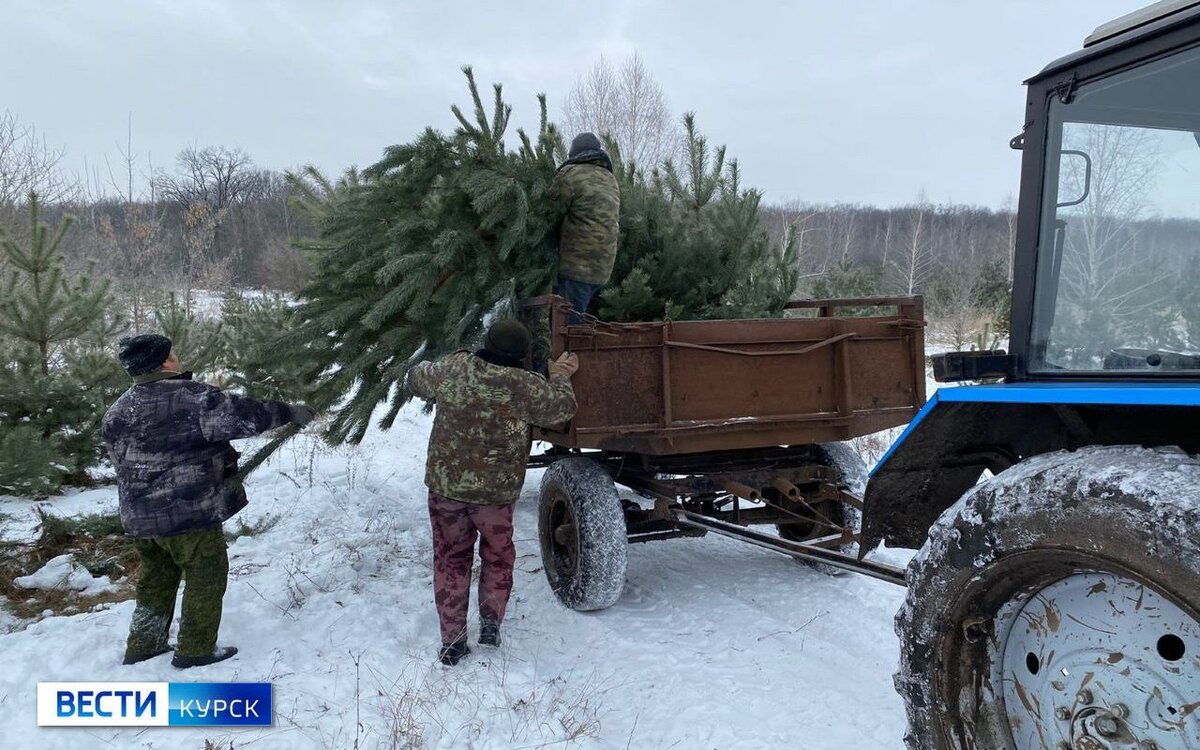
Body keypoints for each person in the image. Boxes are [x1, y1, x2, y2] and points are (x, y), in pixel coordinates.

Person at [102, 333, 314, 668]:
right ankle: (196, 648)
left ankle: (145, 642)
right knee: (206, 574)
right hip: (188, 513)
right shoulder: (193, 398)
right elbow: (247, 416)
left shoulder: (118, 409)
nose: (178, 358)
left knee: (156, 577)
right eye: (173, 354)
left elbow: (120, 461)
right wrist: (288, 411)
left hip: (141, 518)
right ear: (163, 363)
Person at [407, 320, 579, 665]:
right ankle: (490, 624)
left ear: (486, 342)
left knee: (451, 560)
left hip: (446, 489)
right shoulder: (526, 386)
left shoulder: (456, 369)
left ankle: (452, 643)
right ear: (523, 354)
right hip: (495, 496)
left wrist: (444, 361)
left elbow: (415, 377)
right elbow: (563, 408)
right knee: (498, 557)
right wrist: (559, 375)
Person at [547, 132, 621, 322]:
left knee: (568, 327)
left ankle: (572, 352)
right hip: (603, 265)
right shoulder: (610, 178)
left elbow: (548, 213)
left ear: (574, 153)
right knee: (579, 315)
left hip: (577, 265)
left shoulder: (570, 175)